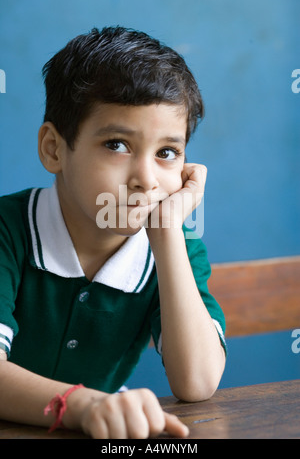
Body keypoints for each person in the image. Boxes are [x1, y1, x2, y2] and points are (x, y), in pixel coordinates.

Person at [0, 26, 226, 439]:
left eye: (167, 153)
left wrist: (168, 236)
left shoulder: (174, 246)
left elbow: (196, 382)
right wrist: (85, 405)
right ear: (54, 149)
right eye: (117, 145)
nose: (146, 179)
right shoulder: (7, 230)